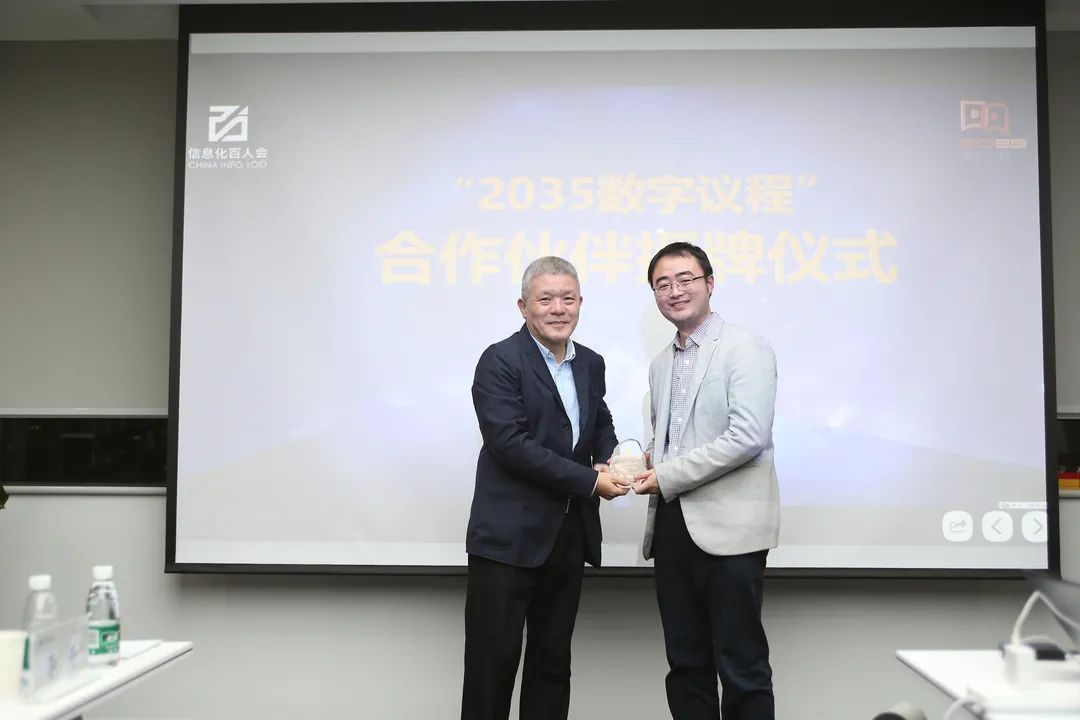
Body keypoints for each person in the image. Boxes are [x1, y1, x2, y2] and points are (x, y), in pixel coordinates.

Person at [461, 256, 628, 720]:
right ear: (523, 306)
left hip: (567, 537)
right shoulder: (499, 360)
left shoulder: (590, 362)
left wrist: (610, 456)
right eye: (546, 299)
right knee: (491, 669)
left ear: (581, 303)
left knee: (552, 665)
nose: (559, 309)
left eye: (568, 299)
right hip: (507, 541)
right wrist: (591, 481)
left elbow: (600, 423)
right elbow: (509, 445)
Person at [632, 242, 780, 720]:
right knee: (686, 666)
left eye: (685, 279)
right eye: (662, 284)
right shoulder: (660, 364)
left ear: (710, 283)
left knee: (741, 666)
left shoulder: (745, 346)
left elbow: (748, 436)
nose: (674, 291)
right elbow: (671, 441)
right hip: (672, 528)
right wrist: (641, 461)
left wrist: (666, 473)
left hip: (731, 533)